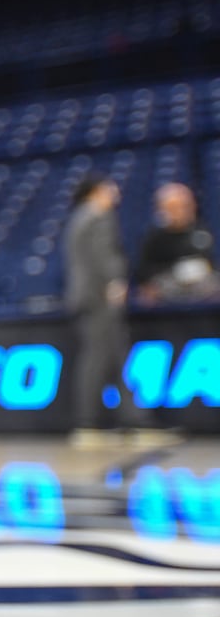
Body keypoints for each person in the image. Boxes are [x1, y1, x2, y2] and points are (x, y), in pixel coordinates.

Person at [62, 175, 176, 449]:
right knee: (102, 359)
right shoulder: (100, 216)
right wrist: (115, 283)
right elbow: (105, 256)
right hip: (100, 298)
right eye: (110, 187)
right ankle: (96, 424)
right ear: (96, 191)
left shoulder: (78, 218)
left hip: (85, 298)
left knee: (109, 360)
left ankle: (128, 421)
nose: (115, 192)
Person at [134, 183, 219, 306]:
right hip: (168, 284)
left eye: (185, 206)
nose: (181, 211)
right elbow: (143, 271)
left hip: (200, 284)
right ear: (162, 209)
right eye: (174, 207)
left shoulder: (201, 231)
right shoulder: (154, 237)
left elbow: (211, 263)